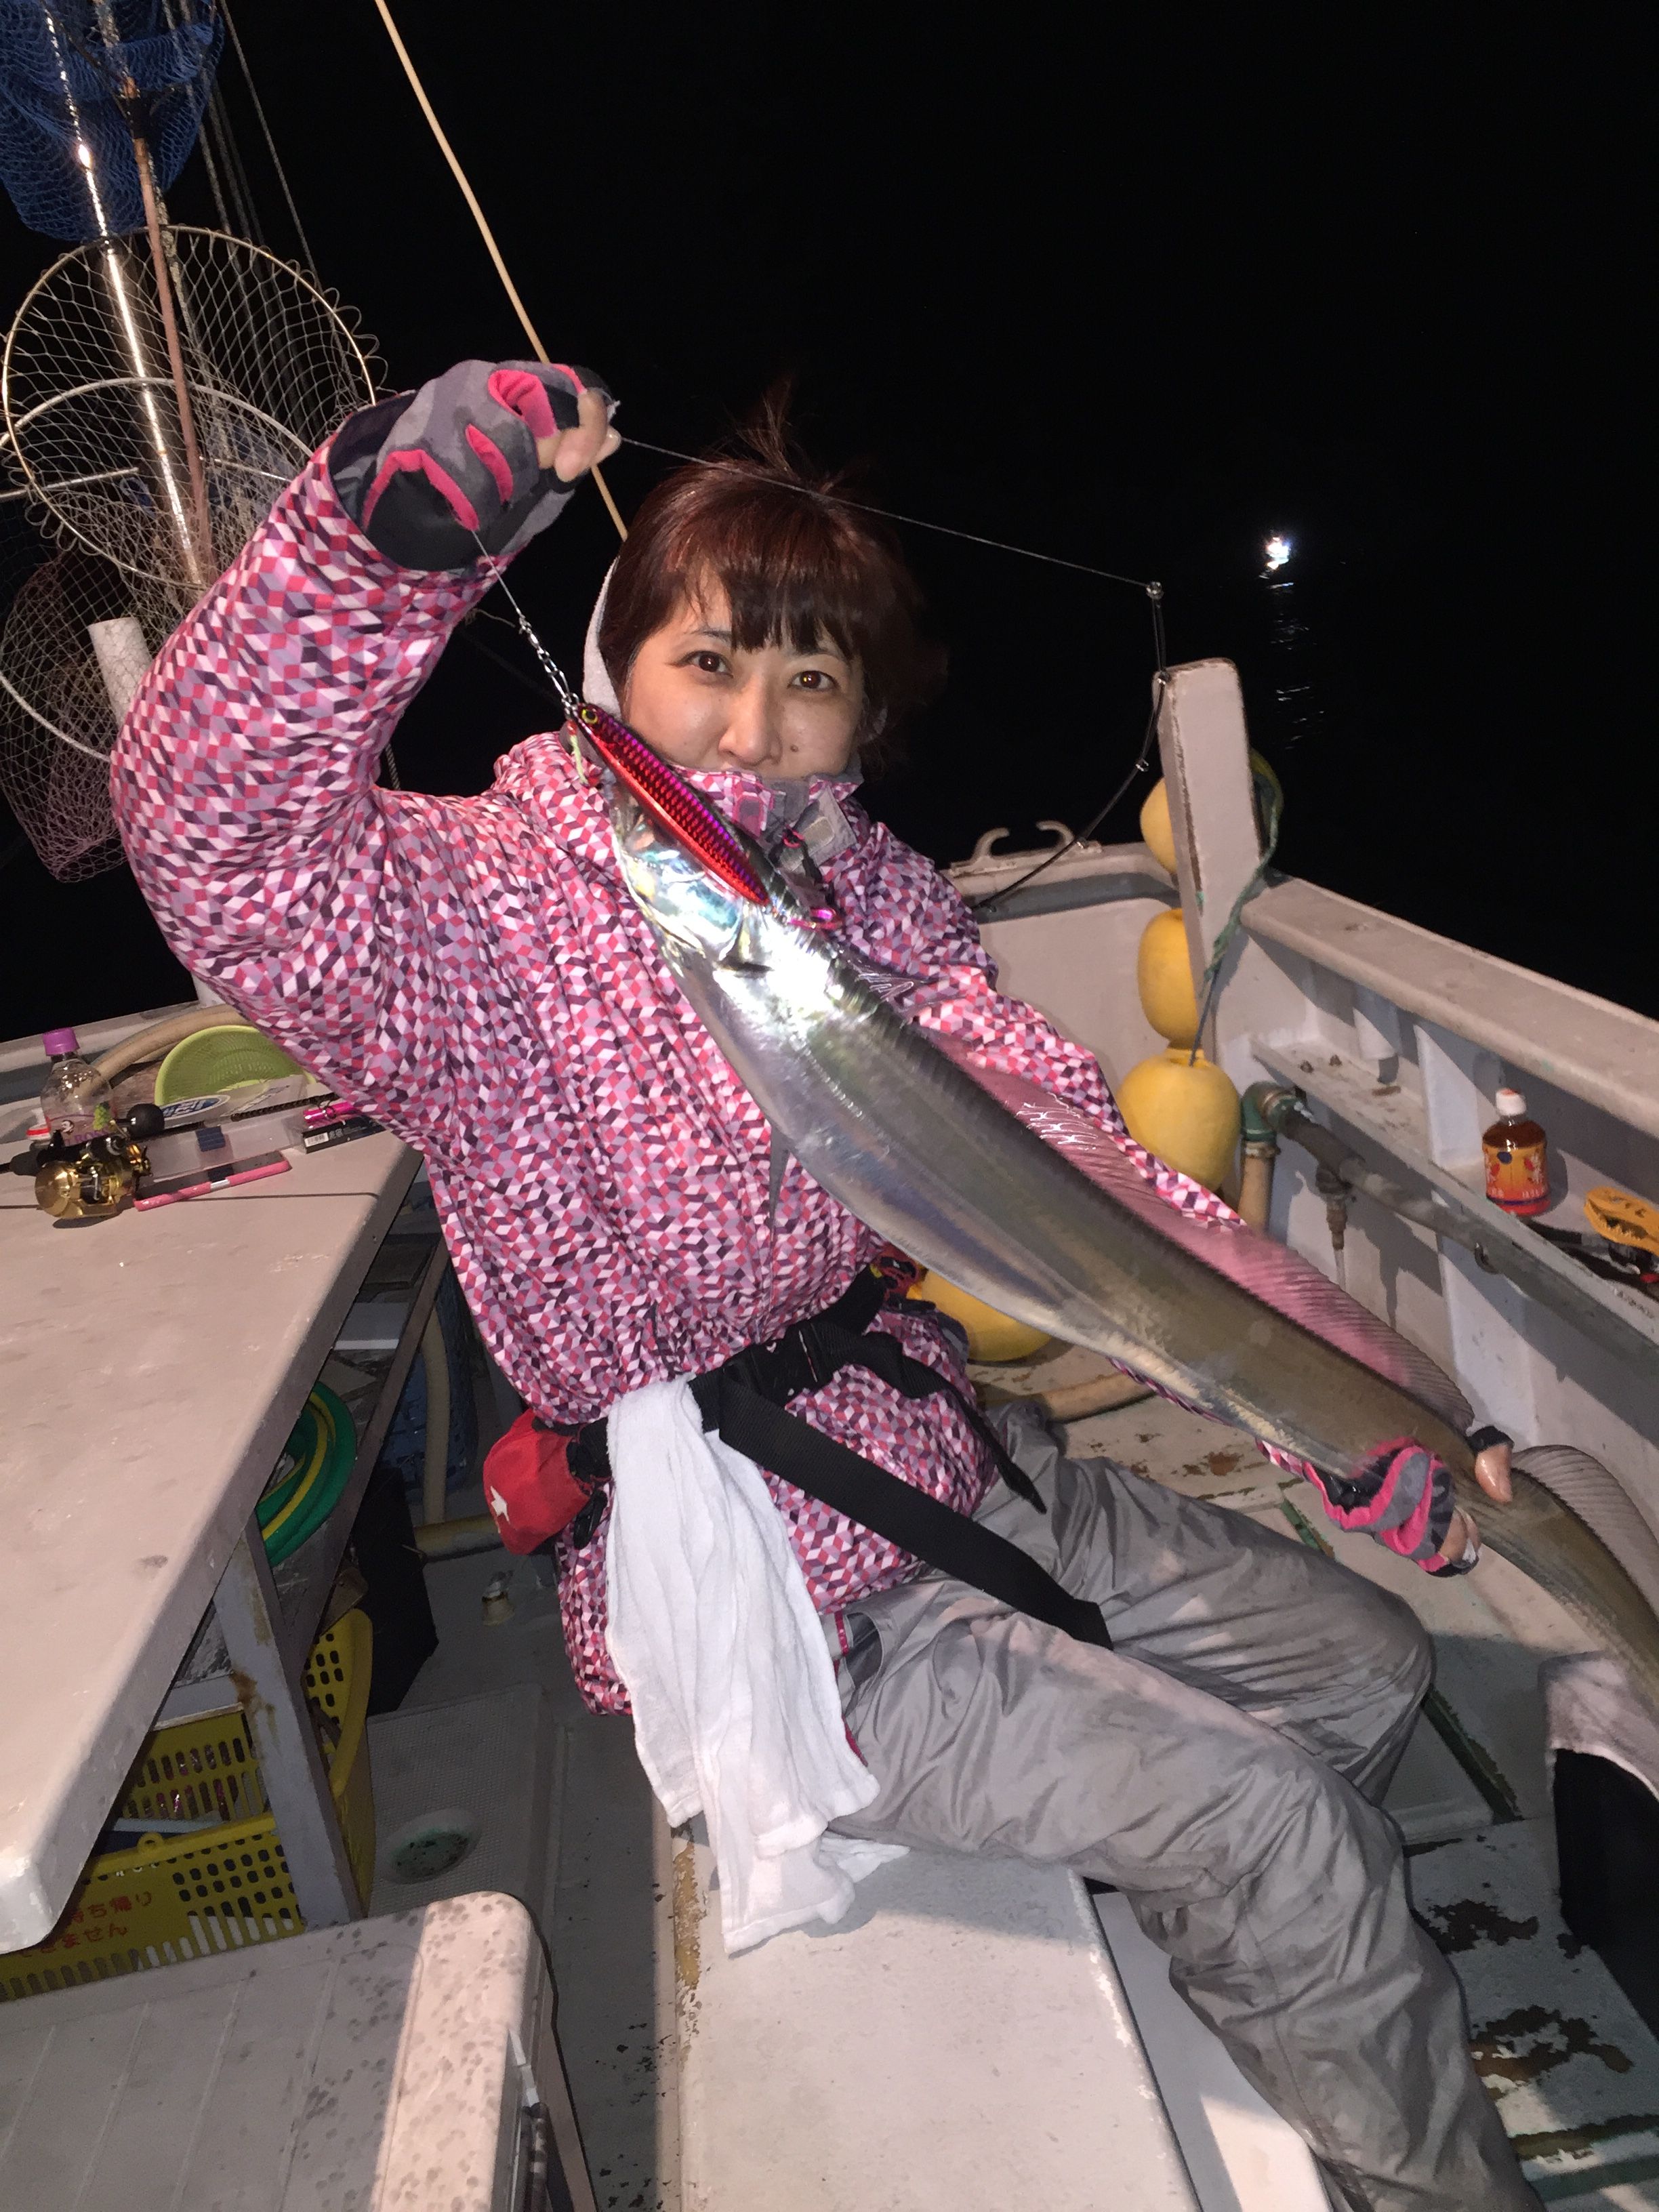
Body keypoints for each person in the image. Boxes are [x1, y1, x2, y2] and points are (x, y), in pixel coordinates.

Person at [110, 358, 1536, 2212]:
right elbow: (216, 838)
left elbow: (1093, 1187)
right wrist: (371, 551)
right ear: (617, 659)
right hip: (778, 1589)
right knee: (1273, 1816)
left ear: (863, 711)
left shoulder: (870, 901)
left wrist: (1344, 1408)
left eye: (811, 678)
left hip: (950, 1460)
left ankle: (1265, 1961)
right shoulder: (469, 914)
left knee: (1368, 1663)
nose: (755, 724)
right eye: (710, 659)